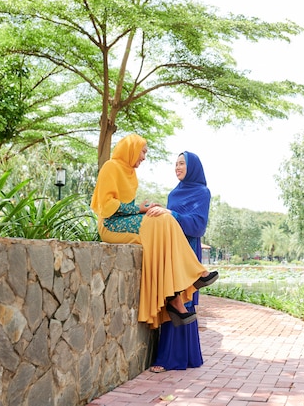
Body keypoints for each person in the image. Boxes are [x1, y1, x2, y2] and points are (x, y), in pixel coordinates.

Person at [90, 134, 218, 329]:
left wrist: (148, 207)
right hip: (110, 225)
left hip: (124, 222)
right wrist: (140, 208)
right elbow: (106, 206)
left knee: (164, 217)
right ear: (131, 148)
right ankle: (195, 275)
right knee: (160, 219)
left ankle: (174, 300)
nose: (143, 157)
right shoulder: (111, 166)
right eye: (143, 151)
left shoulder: (130, 173)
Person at [147, 151, 210, 373]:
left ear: (192, 166)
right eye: (176, 164)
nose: (178, 167)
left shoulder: (202, 192)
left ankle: (172, 359)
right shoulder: (174, 193)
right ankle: (177, 356)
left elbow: (198, 225)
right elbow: (169, 220)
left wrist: (171, 214)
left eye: (182, 163)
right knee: (171, 298)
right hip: (170, 249)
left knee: (184, 299)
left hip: (188, 251)